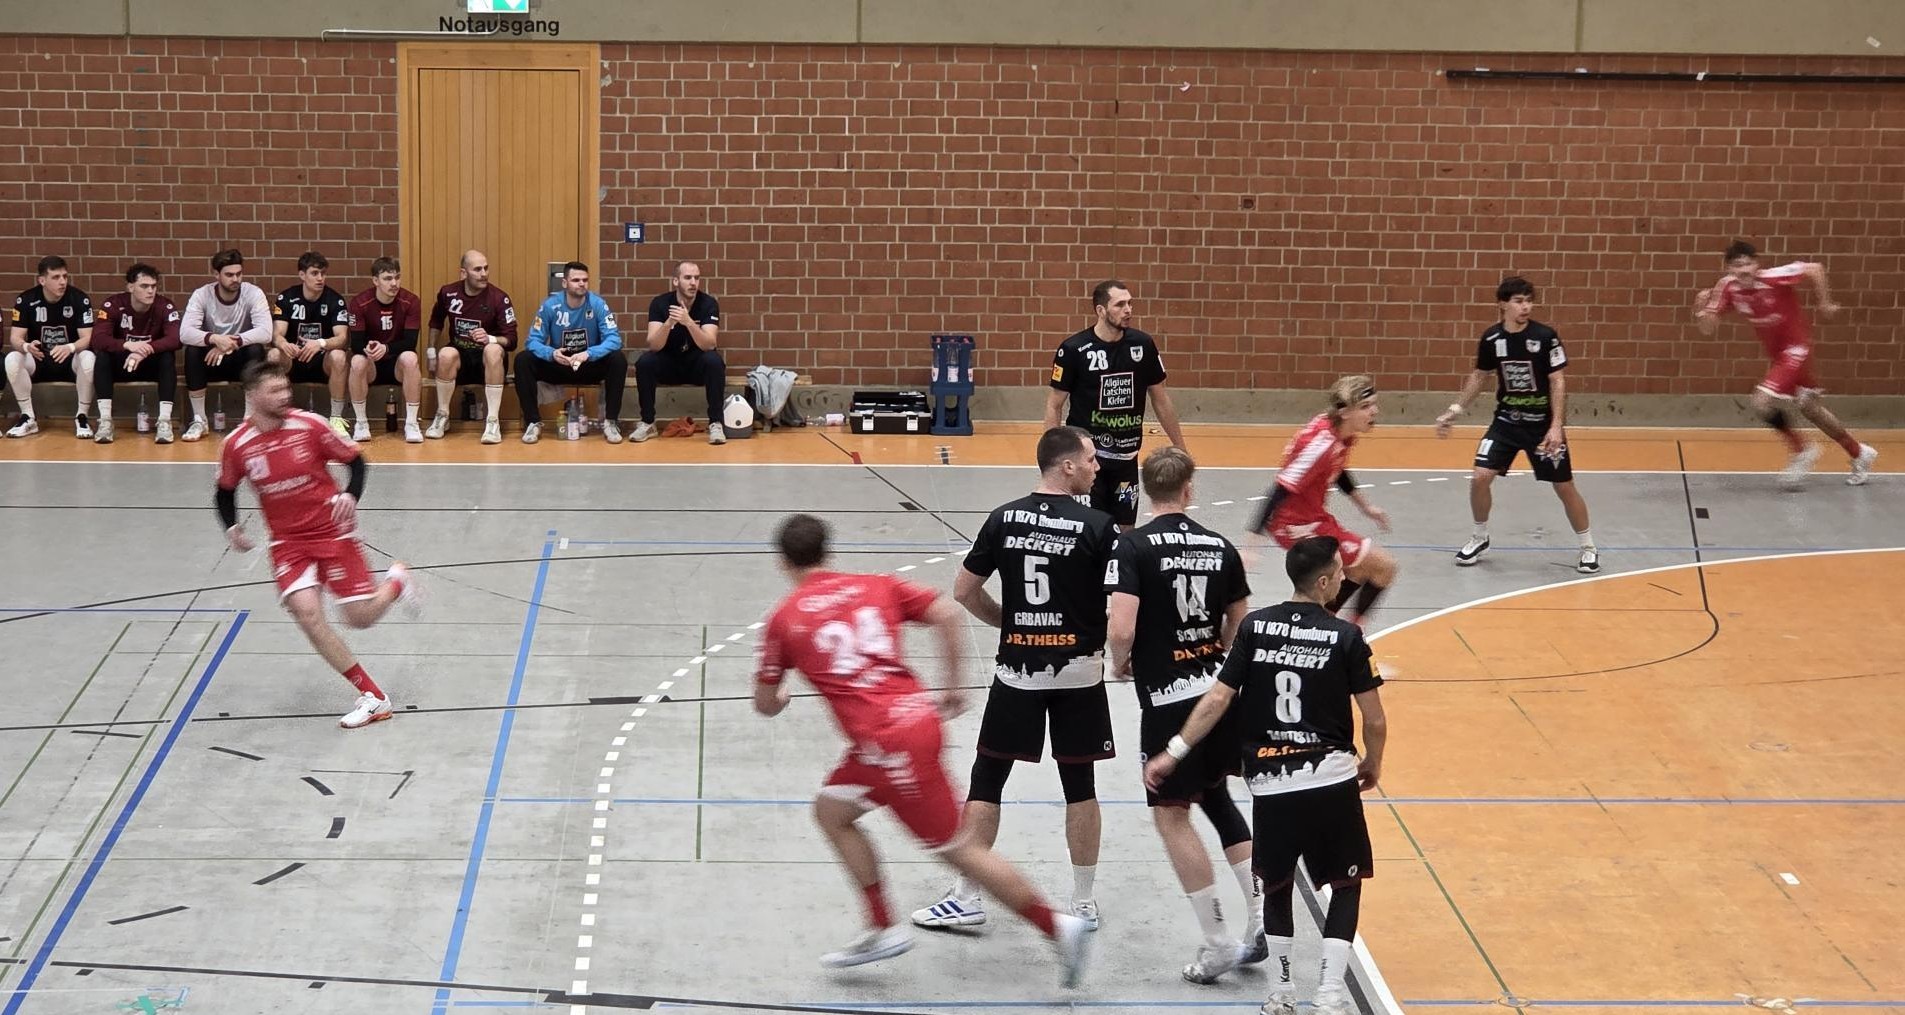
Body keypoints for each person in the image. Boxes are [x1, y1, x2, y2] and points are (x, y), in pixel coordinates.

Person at [753, 513, 1091, 985]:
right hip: (907, 727)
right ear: (827, 550)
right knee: (831, 811)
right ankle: (880, 925)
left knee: (960, 849)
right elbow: (946, 612)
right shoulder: (876, 585)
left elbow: (765, 704)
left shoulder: (785, 618)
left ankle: (1057, 927)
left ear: (783, 562)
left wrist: (783, 695)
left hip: (889, 744)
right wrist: (951, 686)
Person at [1144, 535, 1388, 1015]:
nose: (1345, 578)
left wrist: (1173, 751)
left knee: (1276, 886)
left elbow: (1217, 698)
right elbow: (1374, 719)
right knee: (1345, 885)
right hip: (1330, 778)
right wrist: (1372, 762)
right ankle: (1329, 994)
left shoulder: (1255, 628)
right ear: (1324, 583)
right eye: (1340, 573)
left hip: (1273, 784)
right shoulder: (1346, 637)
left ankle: (1281, 992)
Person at [912, 426, 1119, 932]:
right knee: (1080, 784)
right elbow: (1123, 600)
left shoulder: (1003, 518)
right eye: (1091, 459)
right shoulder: (1099, 525)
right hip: (1079, 673)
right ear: (1066, 465)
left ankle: (966, 896)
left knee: (988, 779)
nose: (1097, 467)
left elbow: (963, 591)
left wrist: (1006, 621)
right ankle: (1083, 902)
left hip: (1019, 672)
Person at [1106, 445, 1263, 984]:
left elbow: (1121, 627)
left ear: (1146, 490)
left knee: (1171, 815)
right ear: (1189, 489)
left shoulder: (1133, 547)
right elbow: (1240, 627)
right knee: (1217, 795)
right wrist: (1215, 657)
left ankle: (1218, 942)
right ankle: (1261, 918)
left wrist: (1121, 662)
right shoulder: (1220, 547)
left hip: (1169, 701)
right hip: (1218, 694)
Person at [214, 359, 423, 730]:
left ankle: (396, 581)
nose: (285, 395)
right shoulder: (237, 444)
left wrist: (350, 495)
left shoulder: (310, 425)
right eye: (275, 390)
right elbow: (225, 489)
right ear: (253, 396)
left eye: (286, 388)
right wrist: (231, 526)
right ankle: (373, 697)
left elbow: (356, 462)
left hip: (332, 533)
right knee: (307, 614)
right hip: (288, 543)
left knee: (359, 618)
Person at [1433, 277, 1599, 573]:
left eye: (1529, 301)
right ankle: (1480, 537)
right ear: (1503, 304)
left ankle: (1588, 547)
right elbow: (1480, 376)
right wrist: (1454, 410)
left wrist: (1556, 426)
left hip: (1541, 427)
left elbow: (1557, 381)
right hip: (1506, 422)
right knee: (1480, 477)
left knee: (1564, 486)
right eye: (1519, 301)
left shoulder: (1545, 337)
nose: (1526, 307)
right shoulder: (1492, 339)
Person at [1694, 241, 1878, 488]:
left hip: (1796, 349)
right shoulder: (1727, 287)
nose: (1744, 270)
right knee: (1810, 408)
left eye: (1748, 264)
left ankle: (1802, 450)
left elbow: (1814, 268)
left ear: (1756, 264)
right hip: (1779, 355)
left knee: (1761, 401)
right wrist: (1700, 309)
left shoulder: (1773, 277)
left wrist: (1825, 303)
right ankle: (1859, 452)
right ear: (1728, 268)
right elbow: (1708, 329)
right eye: (1738, 265)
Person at [1245, 376, 1398, 627]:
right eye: (1365, 406)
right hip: (1296, 524)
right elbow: (1280, 489)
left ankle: (1320, 628)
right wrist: (1251, 545)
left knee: (1357, 570)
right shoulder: (1321, 445)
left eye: (1374, 404)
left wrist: (1366, 507)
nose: (1374, 411)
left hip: (1313, 516)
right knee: (1384, 567)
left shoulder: (1338, 433)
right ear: (1345, 412)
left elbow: (1338, 469)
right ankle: (1352, 634)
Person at [1044, 279, 1187, 527]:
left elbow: (1160, 398)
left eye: (1130, 303)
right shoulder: (1074, 349)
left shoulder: (1143, 345)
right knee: (1088, 529)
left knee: (1126, 531)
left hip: (1126, 460)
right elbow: (1054, 405)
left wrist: (1181, 447)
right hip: (1087, 460)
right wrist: (1051, 460)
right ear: (1101, 310)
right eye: (1120, 305)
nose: (1128, 310)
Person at [515, 261, 626, 445]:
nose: (581, 283)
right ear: (565, 283)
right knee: (523, 360)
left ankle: (611, 422)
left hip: (588, 364)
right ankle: (533, 422)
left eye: (585, 280)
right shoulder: (550, 306)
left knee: (618, 359)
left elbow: (614, 339)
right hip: (560, 364)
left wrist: (589, 353)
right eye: (576, 280)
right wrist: (551, 353)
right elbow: (532, 341)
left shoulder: (597, 304)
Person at [179, 248, 273, 442]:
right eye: (229, 275)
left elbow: (266, 332)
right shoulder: (202, 295)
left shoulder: (253, 293)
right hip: (212, 362)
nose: (235, 279)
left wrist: (231, 342)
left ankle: (249, 420)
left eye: (239, 274)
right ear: (216, 275)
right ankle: (199, 420)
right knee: (192, 351)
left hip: (240, 362)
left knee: (256, 349)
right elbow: (185, 333)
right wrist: (214, 339)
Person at [425, 249, 517, 444]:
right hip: (462, 360)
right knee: (446, 354)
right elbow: (436, 321)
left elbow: (512, 340)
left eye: (486, 268)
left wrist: (490, 338)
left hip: (488, 363)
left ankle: (492, 421)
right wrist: (431, 352)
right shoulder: (448, 293)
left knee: (493, 350)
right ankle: (442, 415)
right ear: (463, 273)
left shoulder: (499, 298)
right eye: (477, 269)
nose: (484, 274)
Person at [634, 260, 727, 445]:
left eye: (697, 278)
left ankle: (716, 423)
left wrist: (688, 322)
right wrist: (669, 323)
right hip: (669, 363)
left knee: (714, 361)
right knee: (645, 362)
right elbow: (654, 345)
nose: (693, 283)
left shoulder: (708, 303)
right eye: (688, 278)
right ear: (676, 281)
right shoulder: (660, 303)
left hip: (696, 365)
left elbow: (709, 344)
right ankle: (647, 422)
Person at [89, 262, 182, 445]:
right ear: (130, 287)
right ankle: (105, 420)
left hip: (150, 365)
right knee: (102, 357)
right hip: (123, 364)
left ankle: (164, 420)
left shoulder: (164, 306)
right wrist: (127, 345)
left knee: (167, 357)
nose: (150, 291)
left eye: (153, 286)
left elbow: (176, 339)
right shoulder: (113, 304)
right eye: (144, 286)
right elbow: (98, 339)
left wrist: (146, 349)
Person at [5, 255, 95, 438]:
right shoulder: (26, 300)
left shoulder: (79, 299)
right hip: (39, 359)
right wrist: (26, 346)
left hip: (69, 360)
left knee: (89, 357)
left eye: (65, 276)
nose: (62, 282)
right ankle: (28, 417)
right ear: (42, 280)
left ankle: (82, 417)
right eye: (56, 277)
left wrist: (70, 347)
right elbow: (15, 338)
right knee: (12, 358)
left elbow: (88, 338)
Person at [269, 251, 350, 437]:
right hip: (295, 358)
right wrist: (284, 344)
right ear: (302, 275)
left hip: (321, 360)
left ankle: (336, 418)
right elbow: (277, 334)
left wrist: (320, 343)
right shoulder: (287, 298)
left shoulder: (335, 300)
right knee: (273, 355)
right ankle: (278, 417)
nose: (320, 278)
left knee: (339, 356)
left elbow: (342, 338)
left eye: (323, 273)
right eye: (314, 273)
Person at [344, 257, 425, 442]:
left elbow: (410, 342)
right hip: (371, 364)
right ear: (375, 280)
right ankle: (361, 423)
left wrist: (386, 348)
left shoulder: (411, 301)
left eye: (397, 277)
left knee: (411, 358)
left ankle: (412, 423)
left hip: (396, 364)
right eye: (388, 278)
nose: (394, 283)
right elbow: (355, 343)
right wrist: (369, 349)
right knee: (357, 360)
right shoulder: (360, 302)